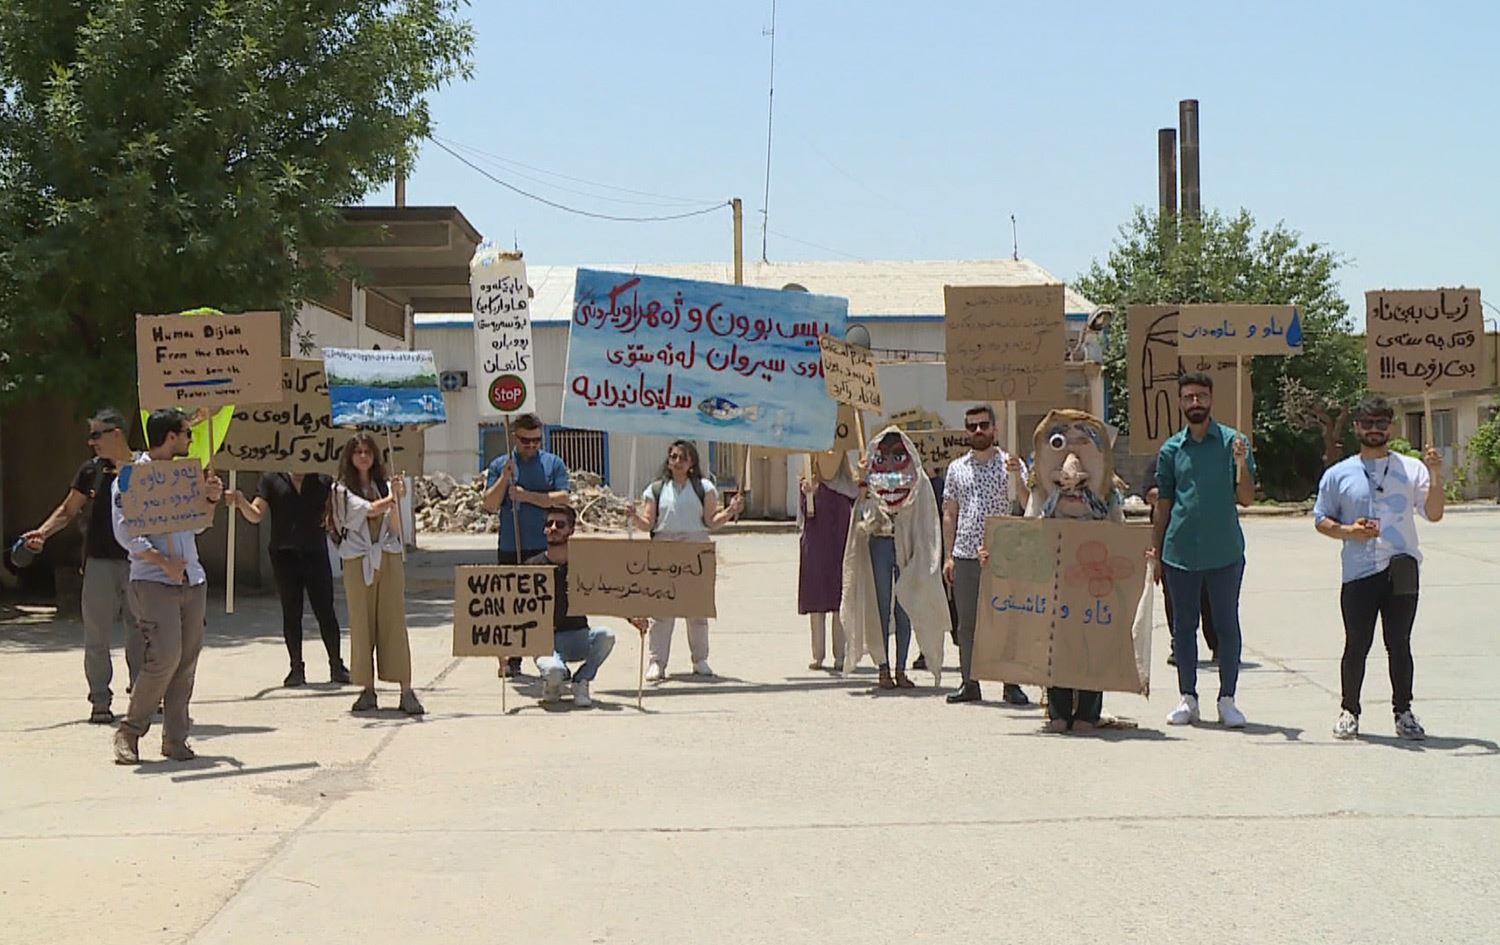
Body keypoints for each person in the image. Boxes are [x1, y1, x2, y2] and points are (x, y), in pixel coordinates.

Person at [1313, 396, 1443, 740]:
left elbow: (1434, 513)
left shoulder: (1411, 468)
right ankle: (1349, 710)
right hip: (1358, 570)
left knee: (1399, 643)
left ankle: (1404, 712)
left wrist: (1435, 473)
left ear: (1391, 426)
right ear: (1357, 427)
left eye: (1381, 423)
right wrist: (1347, 532)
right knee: (1356, 643)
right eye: (1368, 423)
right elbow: (1321, 519)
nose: (1374, 429)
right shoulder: (1338, 474)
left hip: (1402, 566)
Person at [110, 408, 224, 764]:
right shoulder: (131, 478)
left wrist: (210, 498)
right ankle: (130, 731)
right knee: (164, 658)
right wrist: (162, 562)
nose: (192, 440)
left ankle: (175, 738)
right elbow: (125, 532)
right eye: (187, 433)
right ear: (170, 437)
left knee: (186, 662)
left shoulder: (187, 476)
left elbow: (199, 525)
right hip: (153, 581)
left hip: (192, 579)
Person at [21, 408, 144, 724]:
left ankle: (144, 694)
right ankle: (100, 700)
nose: (91, 443)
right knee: (97, 635)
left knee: (141, 632)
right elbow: (68, 509)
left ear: (116, 433)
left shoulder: (145, 468)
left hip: (140, 563)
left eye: (96, 435)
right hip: (99, 561)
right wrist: (43, 533)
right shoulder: (90, 471)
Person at [1151, 371, 1256, 729]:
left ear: (1211, 399)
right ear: (1181, 402)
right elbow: (1163, 504)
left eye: (1201, 397)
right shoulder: (1170, 450)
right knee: (1183, 627)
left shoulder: (1234, 443)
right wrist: (1156, 553)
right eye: (1188, 397)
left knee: (1227, 625)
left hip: (1224, 552)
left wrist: (1242, 465)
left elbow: (1247, 499)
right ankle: (1188, 698)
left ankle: (1228, 699)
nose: (1195, 403)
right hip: (1179, 552)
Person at [841, 427, 949, 689]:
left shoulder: (918, 479)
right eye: (883, 456)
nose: (889, 462)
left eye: (896, 455)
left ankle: (901, 668)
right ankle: (882, 668)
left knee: (905, 607)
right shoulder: (868, 478)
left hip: (906, 547)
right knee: (879, 606)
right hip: (879, 544)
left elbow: (925, 517)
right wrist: (865, 488)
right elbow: (860, 514)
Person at [627, 440, 743, 681]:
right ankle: (656, 662)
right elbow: (648, 523)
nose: (676, 462)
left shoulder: (704, 488)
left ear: (692, 463)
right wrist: (633, 516)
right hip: (664, 547)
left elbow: (711, 521)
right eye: (673, 457)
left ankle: (700, 659)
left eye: (682, 457)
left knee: (697, 609)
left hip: (695, 548)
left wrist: (730, 510)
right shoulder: (656, 489)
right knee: (661, 610)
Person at [228, 472, 351, 687]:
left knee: (325, 610)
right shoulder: (271, 479)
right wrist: (241, 502)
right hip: (284, 554)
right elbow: (257, 514)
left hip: (315, 552)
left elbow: (339, 511)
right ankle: (296, 667)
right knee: (291, 611)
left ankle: (336, 664)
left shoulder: (322, 479)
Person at [331, 433, 422, 715]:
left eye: (367, 451)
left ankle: (405, 689)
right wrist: (392, 498)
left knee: (394, 620)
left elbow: (395, 525)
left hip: (387, 556)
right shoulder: (340, 490)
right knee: (361, 623)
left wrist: (396, 499)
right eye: (357, 451)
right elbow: (368, 511)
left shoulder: (384, 485)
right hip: (358, 559)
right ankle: (367, 689)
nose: (362, 456)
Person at [944, 405, 1029, 705]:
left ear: (994, 428)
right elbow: (950, 513)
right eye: (972, 427)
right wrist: (949, 555)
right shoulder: (956, 469)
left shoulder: (1010, 464)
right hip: (966, 553)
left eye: (983, 425)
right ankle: (970, 681)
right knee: (967, 623)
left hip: (1004, 553)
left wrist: (1018, 477)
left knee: (1007, 619)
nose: (978, 431)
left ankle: (1011, 683)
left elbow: (1026, 503)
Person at [482, 413, 570, 677]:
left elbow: (563, 498)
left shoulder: (552, 463)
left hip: (545, 546)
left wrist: (525, 496)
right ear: (515, 437)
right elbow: (488, 504)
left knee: (550, 605)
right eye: (525, 440)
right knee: (511, 605)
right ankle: (511, 659)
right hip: (512, 545)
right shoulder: (501, 465)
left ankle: (553, 657)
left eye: (535, 440)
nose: (531, 445)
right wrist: (504, 480)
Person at [528, 505, 616, 707]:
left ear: (571, 530)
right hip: (545, 640)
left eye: (560, 524)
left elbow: (611, 593)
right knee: (554, 672)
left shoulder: (584, 565)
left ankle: (581, 681)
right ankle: (552, 684)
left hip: (578, 636)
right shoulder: (531, 567)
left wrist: (633, 618)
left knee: (607, 636)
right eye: (549, 524)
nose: (553, 528)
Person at [1146, 483, 1219, 666]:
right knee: (1174, 600)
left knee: (1207, 597)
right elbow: (1151, 494)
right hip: (1173, 544)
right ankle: (1179, 646)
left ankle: (1218, 645)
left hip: (1203, 540)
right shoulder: (1165, 458)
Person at [798, 450, 857, 671]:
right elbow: (805, 515)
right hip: (815, 546)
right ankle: (818, 654)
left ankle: (840, 654)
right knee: (817, 600)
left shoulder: (847, 485)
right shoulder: (809, 485)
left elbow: (860, 502)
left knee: (839, 600)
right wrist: (808, 493)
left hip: (840, 544)